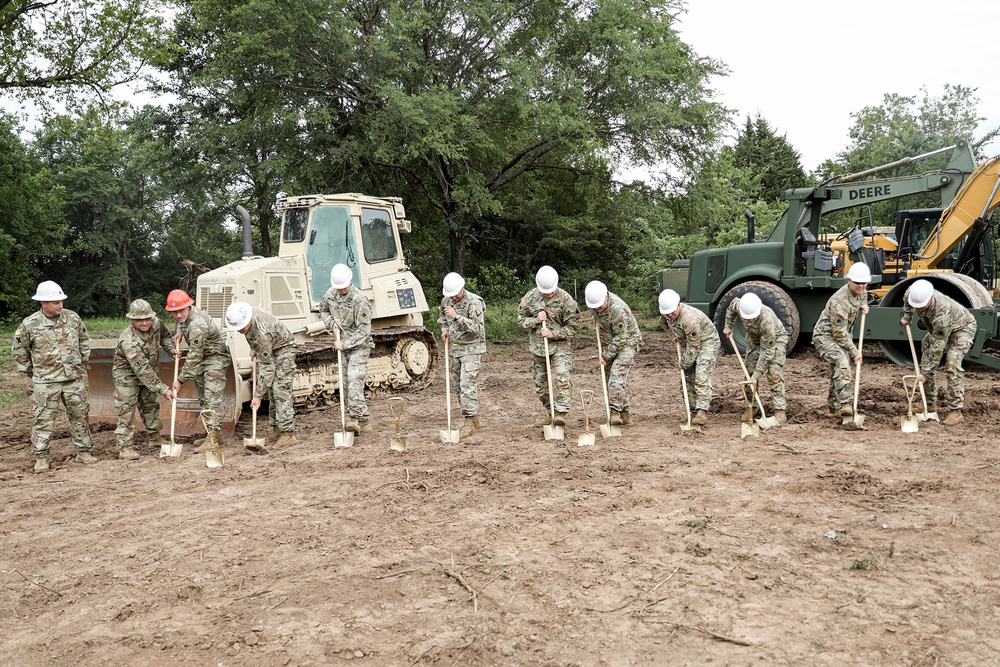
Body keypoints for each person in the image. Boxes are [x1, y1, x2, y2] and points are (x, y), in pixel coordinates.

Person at [12, 281, 96, 473]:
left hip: (74, 379)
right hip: (46, 382)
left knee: (80, 415)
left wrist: (81, 363)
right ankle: (41, 457)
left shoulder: (72, 318)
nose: (60, 305)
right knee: (43, 419)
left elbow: (84, 340)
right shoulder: (30, 324)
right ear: (44, 303)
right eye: (56, 302)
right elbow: (19, 351)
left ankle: (83, 452)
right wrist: (33, 372)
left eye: (61, 301)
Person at [901, 279, 977, 425]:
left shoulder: (942, 312)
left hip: (962, 329)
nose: (920, 310)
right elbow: (907, 301)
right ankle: (929, 404)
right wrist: (907, 316)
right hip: (938, 331)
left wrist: (925, 372)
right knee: (925, 358)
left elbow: (938, 348)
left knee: (951, 364)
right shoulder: (914, 292)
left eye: (922, 307)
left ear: (930, 298)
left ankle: (956, 411)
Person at [225, 302, 298, 448]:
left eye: (242, 328)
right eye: (237, 328)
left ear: (248, 321)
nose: (240, 331)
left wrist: (257, 396)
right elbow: (251, 336)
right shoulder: (247, 315)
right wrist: (253, 348)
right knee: (271, 391)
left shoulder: (262, 333)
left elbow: (267, 369)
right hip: (270, 346)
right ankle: (277, 430)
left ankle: (287, 434)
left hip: (284, 349)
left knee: (280, 389)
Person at [166, 289, 232, 451]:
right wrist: (181, 331)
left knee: (211, 398)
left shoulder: (197, 325)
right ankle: (215, 435)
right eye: (174, 312)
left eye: (181, 311)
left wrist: (180, 380)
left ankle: (212, 441)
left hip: (215, 358)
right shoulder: (186, 317)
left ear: (189, 306)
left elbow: (194, 356)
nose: (178, 315)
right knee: (204, 398)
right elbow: (183, 323)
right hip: (204, 357)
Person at [112, 299, 177, 459]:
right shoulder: (129, 341)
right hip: (127, 378)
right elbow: (143, 370)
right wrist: (164, 389)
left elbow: (166, 337)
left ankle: (154, 438)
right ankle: (125, 447)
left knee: (150, 405)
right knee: (126, 411)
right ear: (132, 319)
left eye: (147, 318)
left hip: (149, 373)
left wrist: (172, 350)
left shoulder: (156, 323)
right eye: (140, 320)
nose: (145, 323)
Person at [517, 265, 579, 426]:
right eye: (546, 292)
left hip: (560, 346)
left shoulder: (567, 300)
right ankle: (551, 412)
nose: (549, 294)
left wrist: (554, 334)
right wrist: (535, 321)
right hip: (538, 348)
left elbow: (573, 327)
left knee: (562, 378)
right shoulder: (529, 298)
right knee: (540, 384)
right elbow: (520, 320)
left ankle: (560, 414)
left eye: (551, 291)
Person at [320, 264, 373, 434]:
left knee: (354, 378)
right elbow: (323, 311)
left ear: (350, 281)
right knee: (344, 383)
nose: (341, 291)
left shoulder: (360, 300)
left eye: (343, 288)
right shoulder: (330, 294)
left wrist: (345, 344)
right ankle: (364, 421)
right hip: (341, 344)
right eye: (338, 288)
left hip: (359, 345)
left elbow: (364, 331)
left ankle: (354, 419)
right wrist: (331, 323)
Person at [813, 263, 871, 418]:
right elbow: (838, 334)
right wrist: (855, 352)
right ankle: (846, 404)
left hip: (841, 336)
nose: (861, 286)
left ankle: (833, 408)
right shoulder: (840, 302)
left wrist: (864, 305)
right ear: (849, 280)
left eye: (864, 283)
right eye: (857, 283)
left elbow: (862, 295)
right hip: (825, 337)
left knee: (837, 369)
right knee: (842, 363)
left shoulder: (861, 291)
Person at [723, 291, 789, 424]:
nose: (750, 320)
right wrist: (728, 326)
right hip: (754, 339)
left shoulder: (767, 320)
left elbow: (768, 352)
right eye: (748, 318)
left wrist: (758, 375)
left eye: (753, 317)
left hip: (775, 340)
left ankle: (780, 411)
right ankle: (753, 406)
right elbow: (731, 308)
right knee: (748, 374)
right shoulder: (740, 305)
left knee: (773, 373)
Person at [659, 288, 720, 426]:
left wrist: (684, 363)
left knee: (701, 375)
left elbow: (694, 347)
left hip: (707, 342)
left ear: (678, 304)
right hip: (692, 343)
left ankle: (701, 412)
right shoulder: (666, 313)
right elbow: (664, 324)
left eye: (672, 312)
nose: (670, 315)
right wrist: (674, 336)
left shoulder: (689, 319)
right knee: (686, 378)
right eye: (666, 313)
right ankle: (692, 411)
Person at [437, 272, 486, 438]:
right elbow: (442, 318)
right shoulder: (446, 300)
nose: (453, 298)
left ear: (462, 288)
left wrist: (457, 317)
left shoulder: (475, 302)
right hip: (455, 349)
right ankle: (474, 417)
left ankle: (469, 420)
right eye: (450, 295)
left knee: (467, 385)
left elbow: (479, 329)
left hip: (472, 348)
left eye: (455, 294)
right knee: (458, 385)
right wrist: (444, 330)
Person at [585, 280, 641, 426]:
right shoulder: (594, 302)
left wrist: (605, 356)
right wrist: (596, 317)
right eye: (594, 308)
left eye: (599, 307)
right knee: (611, 379)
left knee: (616, 377)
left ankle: (614, 412)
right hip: (610, 342)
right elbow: (596, 313)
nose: (597, 309)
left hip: (627, 341)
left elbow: (622, 337)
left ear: (606, 297)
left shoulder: (617, 308)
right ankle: (625, 415)